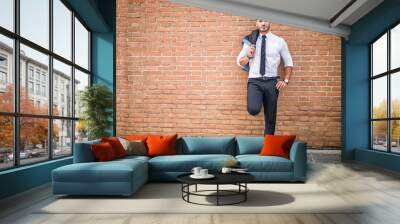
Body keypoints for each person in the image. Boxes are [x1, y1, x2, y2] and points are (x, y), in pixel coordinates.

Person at [237, 19, 293, 135]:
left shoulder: (279, 41)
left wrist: (285, 81)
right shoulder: (250, 40)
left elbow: (288, 63)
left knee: (270, 117)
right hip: (254, 81)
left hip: (272, 82)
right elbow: (240, 62)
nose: (263, 23)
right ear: (256, 24)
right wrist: (248, 55)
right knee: (253, 109)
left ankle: (268, 147)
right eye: (260, 21)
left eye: (266, 20)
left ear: (270, 22)